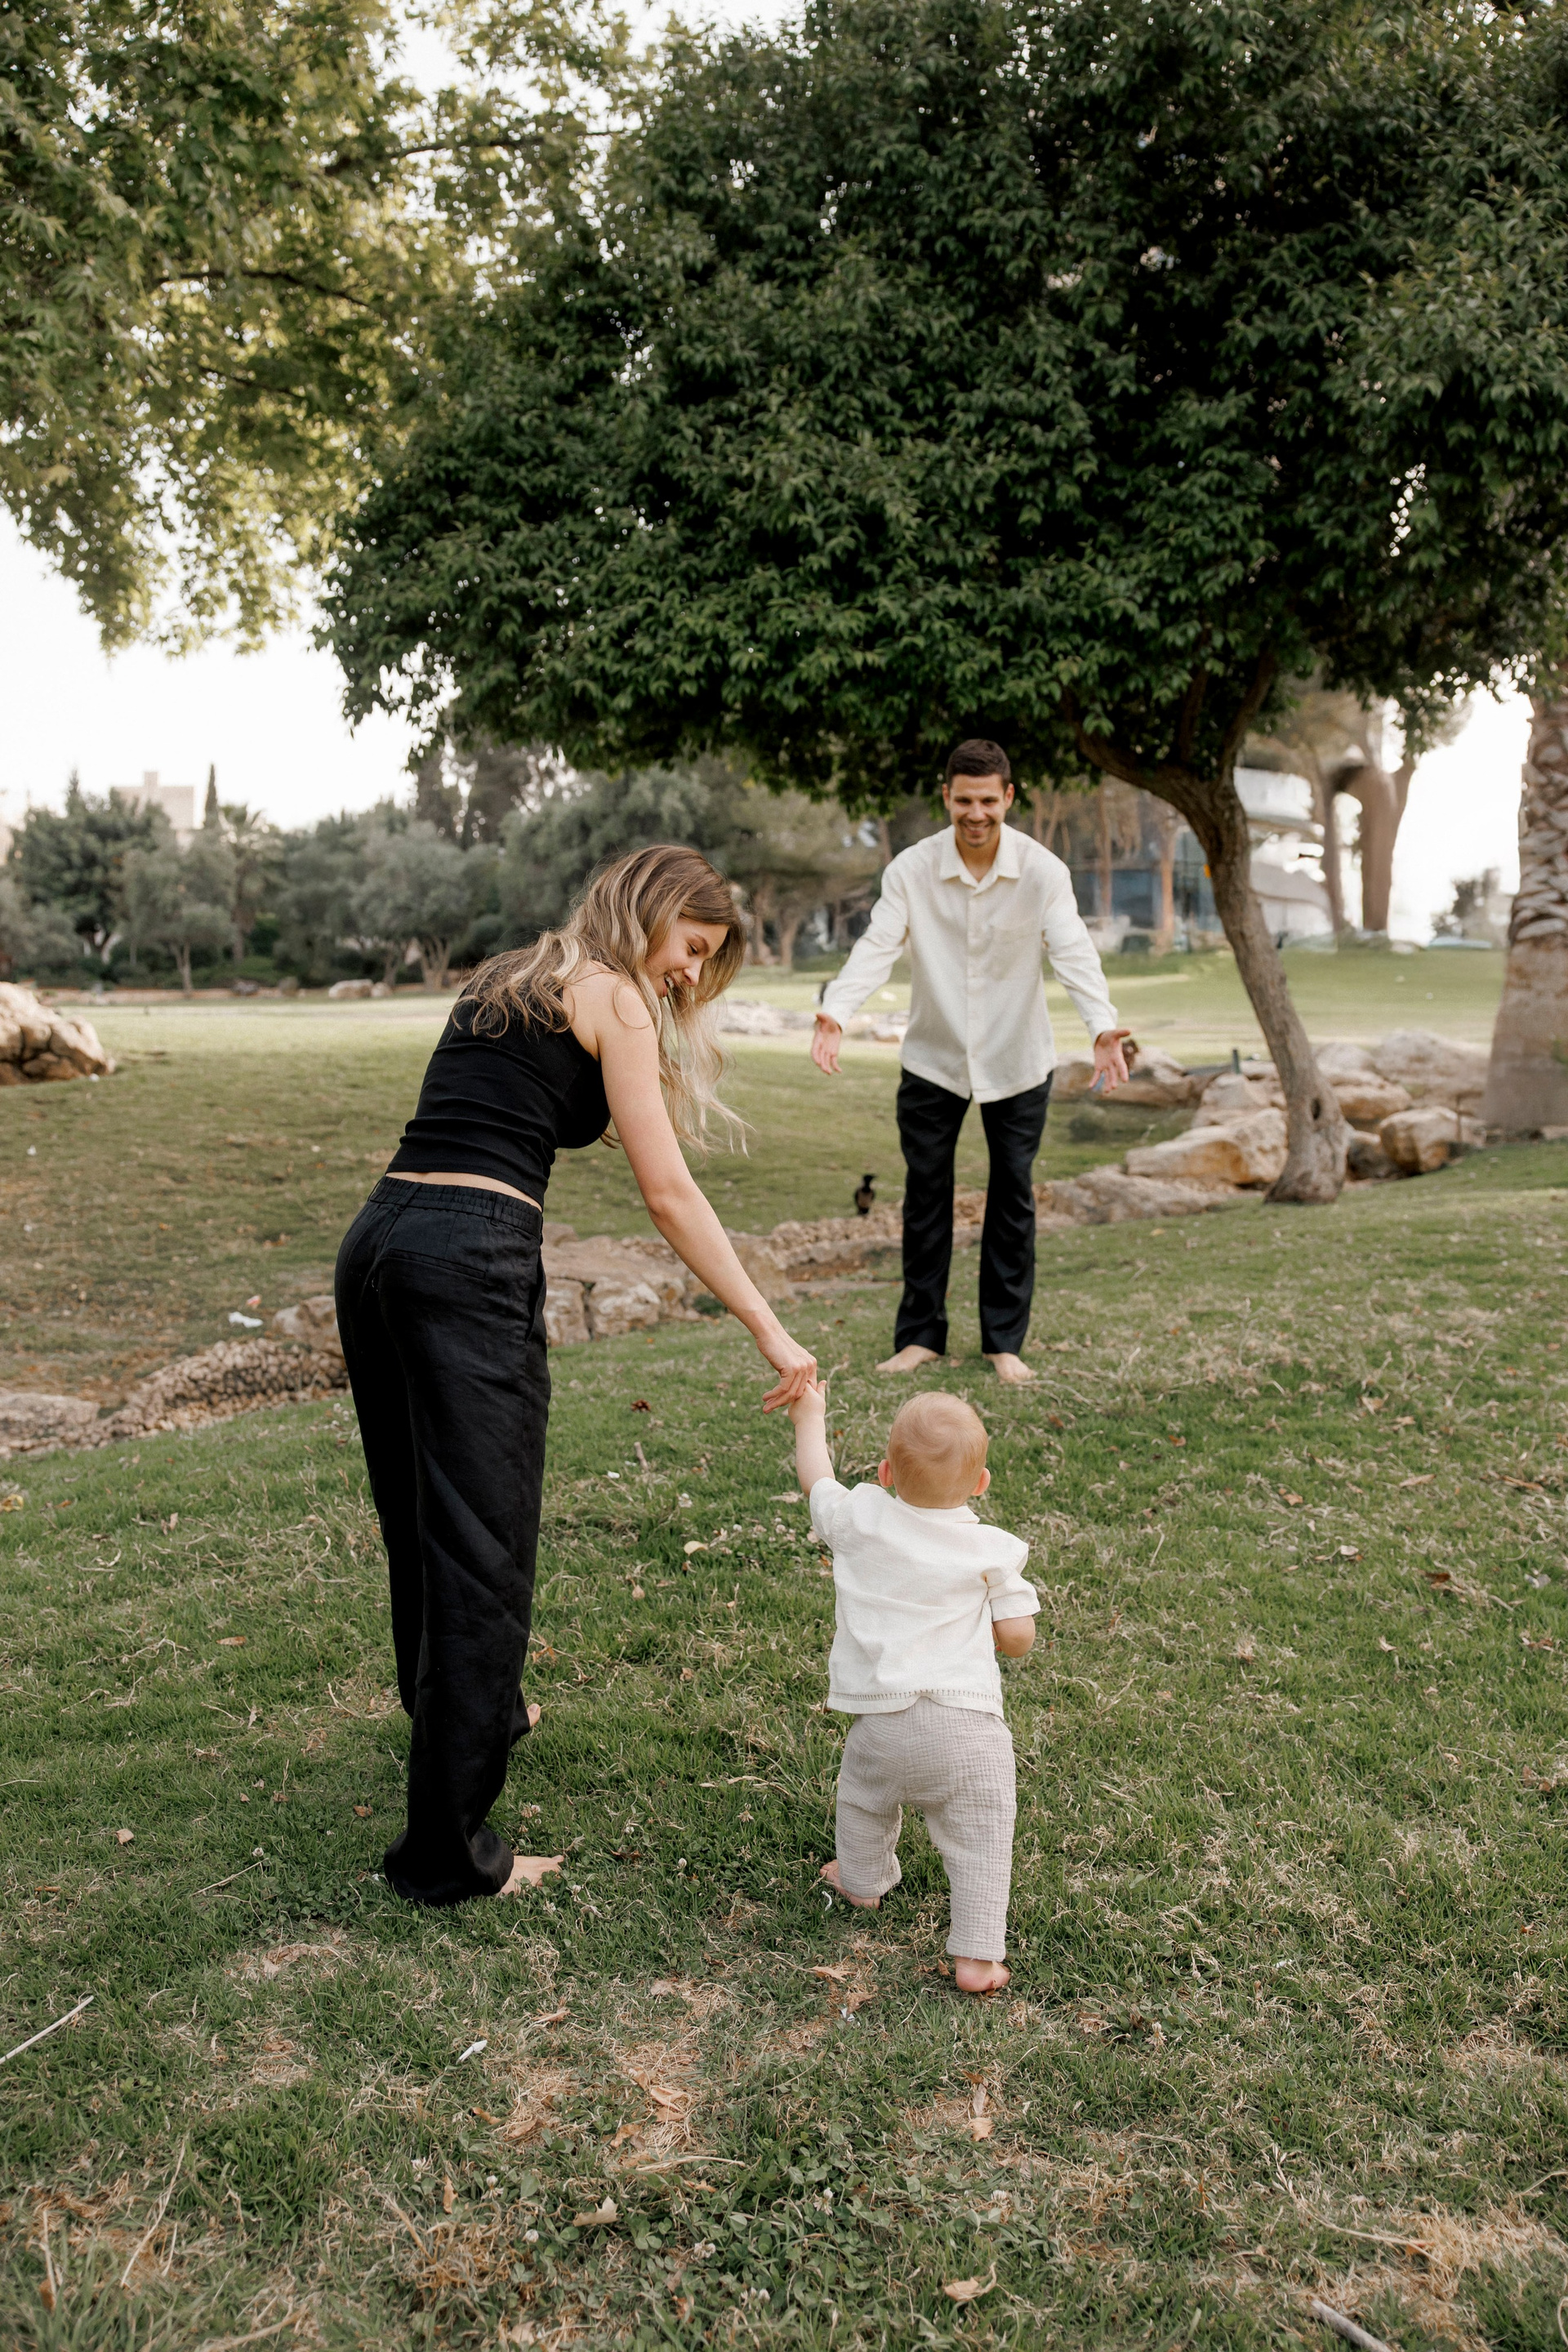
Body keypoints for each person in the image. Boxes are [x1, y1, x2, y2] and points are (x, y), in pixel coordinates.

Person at [335, 845, 817, 1908]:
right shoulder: (618, 999)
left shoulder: (512, 975)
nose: (691, 972)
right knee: (482, 1543)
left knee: (420, 1514)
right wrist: (768, 1327)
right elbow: (669, 1194)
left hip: (379, 1242)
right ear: (652, 911)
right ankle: (448, 1860)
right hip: (470, 1256)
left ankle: (479, 1716)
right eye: (691, 946)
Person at [812, 739, 1133, 1383]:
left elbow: (1073, 951)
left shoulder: (1042, 872)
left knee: (1013, 1196)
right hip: (934, 1059)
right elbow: (878, 944)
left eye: (988, 800)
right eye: (964, 800)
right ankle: (920, 1337)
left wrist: (1102, 1025)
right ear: (947, 797)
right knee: (925, 1197)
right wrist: (837, 1009)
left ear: (1008, 797)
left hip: (1019, 1058)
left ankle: (1003, 1344)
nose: (976, 813)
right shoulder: (911, 870)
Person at [789, 1383, 1038, 1993]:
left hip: (882, 1722)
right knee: (983, 1840)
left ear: (884, 1474)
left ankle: (861, 1882)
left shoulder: (863, 1518)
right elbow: (1017, 1638)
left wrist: (810, 1415)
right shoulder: (991, 1550)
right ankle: (977, 1956)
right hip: (970, 1730)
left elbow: (817, 1480)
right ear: (981, 1484)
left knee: (863, 1801)